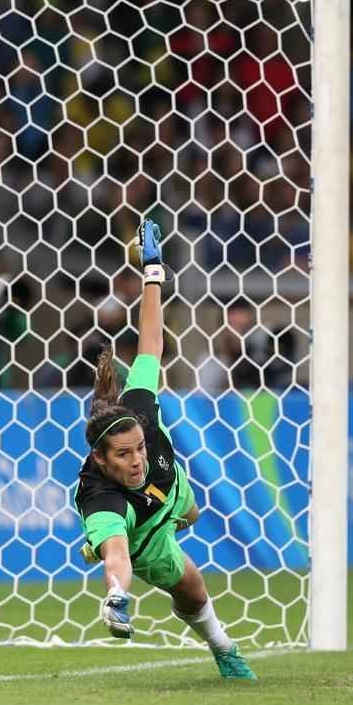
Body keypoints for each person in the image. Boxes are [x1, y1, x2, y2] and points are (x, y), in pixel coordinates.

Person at [72, 219, 256, 680]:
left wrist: (153, 271)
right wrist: (116, 596)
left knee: (191, 514)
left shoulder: (139, 409)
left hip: (175, 491)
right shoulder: (99, 495)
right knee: (190, 589)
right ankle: (225, 649)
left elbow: (150, 341)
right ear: (100, 459)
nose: (135, 461)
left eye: (137, 449)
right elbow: (117, 550)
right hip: (143, 534)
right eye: (122, 456)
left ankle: (170, 518)